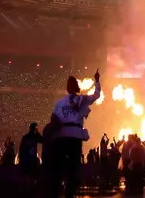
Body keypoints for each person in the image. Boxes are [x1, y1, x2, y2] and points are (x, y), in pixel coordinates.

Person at [49, 70, 102, 198]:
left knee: (61, 165)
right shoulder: (82, 99)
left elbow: (53, 120)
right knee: (73, 166)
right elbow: (96, 95)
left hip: (62, 137)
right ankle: (69, 192)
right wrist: (97, 81)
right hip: (75, 136)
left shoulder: (59, 104)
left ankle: (57, 189)